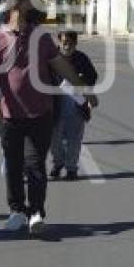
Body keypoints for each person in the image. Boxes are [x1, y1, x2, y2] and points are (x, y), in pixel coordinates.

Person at [0, 0, 98, 234]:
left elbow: (62, 67)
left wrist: (84, 90)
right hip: (9, 115)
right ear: (16, 6)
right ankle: (16, 210)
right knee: (13, 166)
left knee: (35, 165)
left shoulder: (41, 38)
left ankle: (35, 213)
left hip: (40, 114)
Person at [49, 31, 98, 181]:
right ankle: (58, 163)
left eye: (70, 43)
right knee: (54, 141)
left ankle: (71, 169)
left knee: (74, 141)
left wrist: (82, 80)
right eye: (64, 42)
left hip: (76, 108)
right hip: (55, 107)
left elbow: (93, 76)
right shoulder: (51, 58)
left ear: (75, 44)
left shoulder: (81, 59)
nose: (67, 45)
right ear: (59, 41)